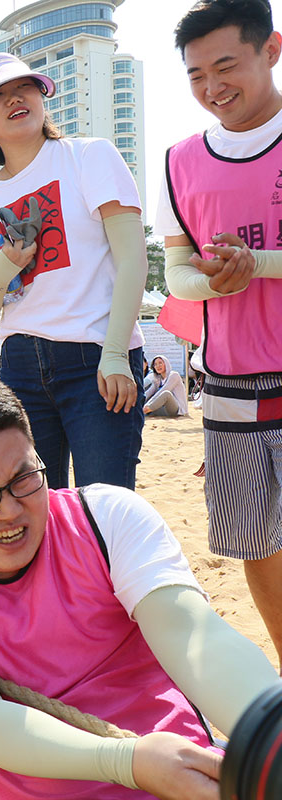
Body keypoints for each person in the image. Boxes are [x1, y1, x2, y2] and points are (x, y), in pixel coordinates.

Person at [0, 371, 281, 800]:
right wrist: (126, 763)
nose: (10, 510)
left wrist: (270, 736)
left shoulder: (106, 517)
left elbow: (194, 636)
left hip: (188, 776)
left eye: (24, 479)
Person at [0, 53, 148, 491]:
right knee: (35, 505)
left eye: (23, 87)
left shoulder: (89, 156)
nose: (14, 99)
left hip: (96, 354)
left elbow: (132, 259)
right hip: (20, 364)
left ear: (43, 94)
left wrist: (117, 352)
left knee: (105, 506)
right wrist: (3, 267)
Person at [159, 0, 282, 665]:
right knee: (258, 543)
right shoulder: (181, 159)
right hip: (232, 383)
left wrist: (254, 264)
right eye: (196, 75)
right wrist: (213, 280)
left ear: (272, 49)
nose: (213, 88)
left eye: (226, 66)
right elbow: (177, 272)